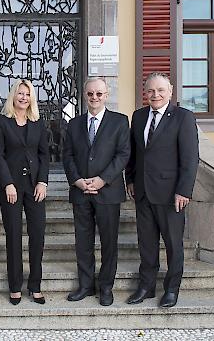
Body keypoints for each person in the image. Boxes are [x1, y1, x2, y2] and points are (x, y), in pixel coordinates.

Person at [125, 72, 199, 308]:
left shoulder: (183, 117)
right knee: (146, 243)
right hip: (143, 192)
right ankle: (146, 287)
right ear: (145, 93)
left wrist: (184, 191)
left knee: (173, 244)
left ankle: (171, 289)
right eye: (151, 91)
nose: (155, 95)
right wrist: (130, 180)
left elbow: (190, 159)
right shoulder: (138, 117)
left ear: (171, 91)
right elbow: (134, 154)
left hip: (171, 195)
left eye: (160, 90)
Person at [62, 77, 130, 306]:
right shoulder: (74, 124)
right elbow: (67, 155)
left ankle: (106, 287)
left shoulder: (120, 122)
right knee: (83, 242)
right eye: (90, 93)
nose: (94, 98)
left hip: (108, 192)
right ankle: (85, 285)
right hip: (81, 192)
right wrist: (77, 181)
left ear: (106, 95)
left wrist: (102, 180)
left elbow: (123, 155)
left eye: (99, 94)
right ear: (84, 95)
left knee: (109, 243)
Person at [0, 79, 49, 305]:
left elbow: (45, 154)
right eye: (19, 93)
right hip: (11, 187)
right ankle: (15, 286)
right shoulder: (1, 122)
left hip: (35, 186)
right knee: (14, 236)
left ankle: (35, 285)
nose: (23, 97)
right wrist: (7, 183)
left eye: (27, 94)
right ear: (13, 96)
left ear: (31, 98)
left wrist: (43, 182)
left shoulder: (38, 123)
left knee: (38, 235)